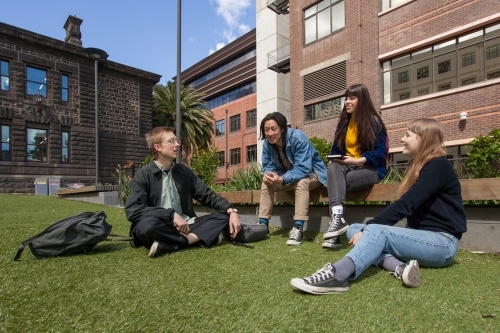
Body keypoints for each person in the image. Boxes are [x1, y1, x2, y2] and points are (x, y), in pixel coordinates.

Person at [290, 118, 467, 294]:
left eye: (407, 135)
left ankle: (338, 275)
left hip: (442, 244)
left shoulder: (438, 166)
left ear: (423, 138)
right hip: (422, 239)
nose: (402, 139)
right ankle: (399, 267)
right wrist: (365, 230)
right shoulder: (418, 167)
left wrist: (369, 229)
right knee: (354, 229)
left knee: (372, 231)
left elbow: (405, 205)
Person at [124, 126, 241, 258]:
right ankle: (192, 240)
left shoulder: (183, 171)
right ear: (158, 147)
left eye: (177, 140)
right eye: (171, 141)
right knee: (146, 226)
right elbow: (133, 210)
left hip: (187, 226)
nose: (177, 144)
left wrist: (231, 210)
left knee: (222, 217)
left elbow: (207, 195)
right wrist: (170, 215)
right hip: (160, 226)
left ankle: (176, 243)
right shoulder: (143, 175)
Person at [322, 84, 388, 249]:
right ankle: (338, 220)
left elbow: (381, 153)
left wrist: (357, 161)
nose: (347, 102)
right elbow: (336, 149)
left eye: (352, 98)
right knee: (334, 169)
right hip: (346, 168)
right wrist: (333, 159)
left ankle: (335, 231)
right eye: (346, 98)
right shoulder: (344, 123)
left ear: (362, 99)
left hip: (370, 169)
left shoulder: (374, 122)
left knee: (336, 183)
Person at [258, 112, 328, 246]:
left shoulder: (298, 137)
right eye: (266, 130)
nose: (270, 133)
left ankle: (298, 228)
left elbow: (303, 169)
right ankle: (263, 225)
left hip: (314, 174)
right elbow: (268, 165)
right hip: (289, 177)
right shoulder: (267, 144)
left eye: (274, 129)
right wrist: (269, 175)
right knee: (266, 182)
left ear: (282, 129)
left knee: (301, 181)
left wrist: (282, 179)